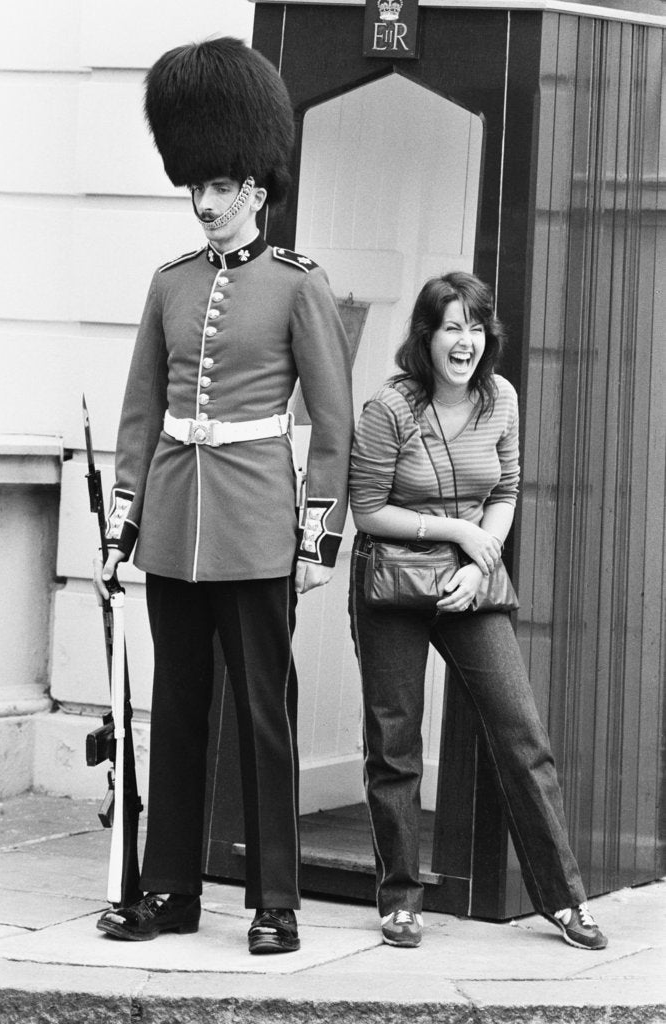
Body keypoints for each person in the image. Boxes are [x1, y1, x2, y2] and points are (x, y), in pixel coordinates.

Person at [92, 37, 353, 954]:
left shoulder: (296, 287)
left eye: (218, 186)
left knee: (263, 719)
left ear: (254, 187)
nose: (203, 204)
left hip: (253, 528)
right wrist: (122, 528)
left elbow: (332, 423)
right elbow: (139, 415)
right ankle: (169, 889)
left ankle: (275, 900)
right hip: (173, 525)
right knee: (176, 712)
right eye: (194, 187)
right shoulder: (169, 285)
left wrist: (316, 538)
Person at [348, 271, 607, 951]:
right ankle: (400, 901)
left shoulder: (501, 399)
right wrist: (458, 534)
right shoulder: (389, 408)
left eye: (475, 327)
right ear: (426, 336)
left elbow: (506, 488)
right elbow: (367, 510)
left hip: (471, 584)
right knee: (394, 744)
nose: (464, 341)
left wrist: (478, 562)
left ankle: (565, 900)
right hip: (393, 584)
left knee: (522, 736)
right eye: (450, 327)